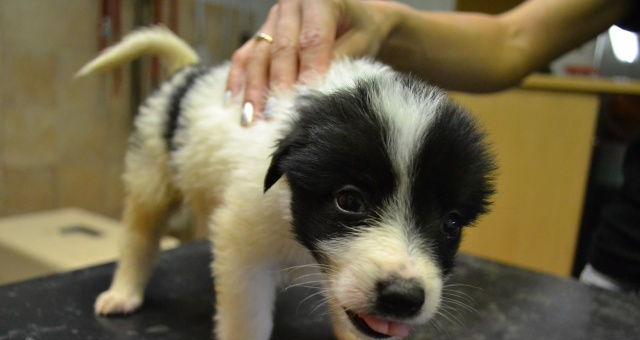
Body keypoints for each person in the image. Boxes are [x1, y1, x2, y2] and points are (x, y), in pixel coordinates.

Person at [226, 0, 640, 292]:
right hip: (622, 262)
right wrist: (381, 18)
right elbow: (514, 39)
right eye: (351, 203)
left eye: (450, 225)